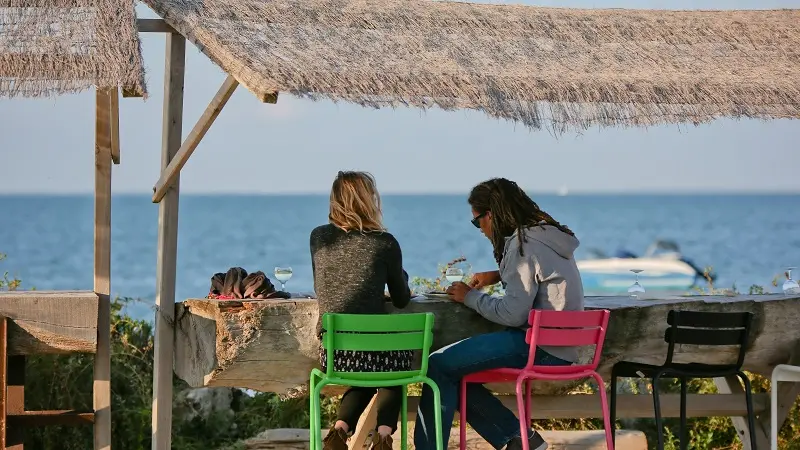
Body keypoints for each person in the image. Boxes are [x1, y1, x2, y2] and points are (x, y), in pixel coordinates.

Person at [413, 178, 585, 450]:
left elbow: (513, 314)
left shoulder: (522, 244)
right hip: (565, 347)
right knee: (454, 372)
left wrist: (469, 297)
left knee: (438, 364)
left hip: (538, 347)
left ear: (490, 215)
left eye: (477, 221)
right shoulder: (546, 236)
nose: (479, 229)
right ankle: (518, 439)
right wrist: (499, 275)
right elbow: (543, 277)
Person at [311, 171, 412, 450]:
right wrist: (399, 276)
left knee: (369, 370)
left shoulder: (318, 237)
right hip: (373, 350)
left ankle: (339, 431)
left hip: (335, 352)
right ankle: (382, 436)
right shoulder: (385, 242)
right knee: (393, 368)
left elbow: (323, 284)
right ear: (370, 201)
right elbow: (401, 299)